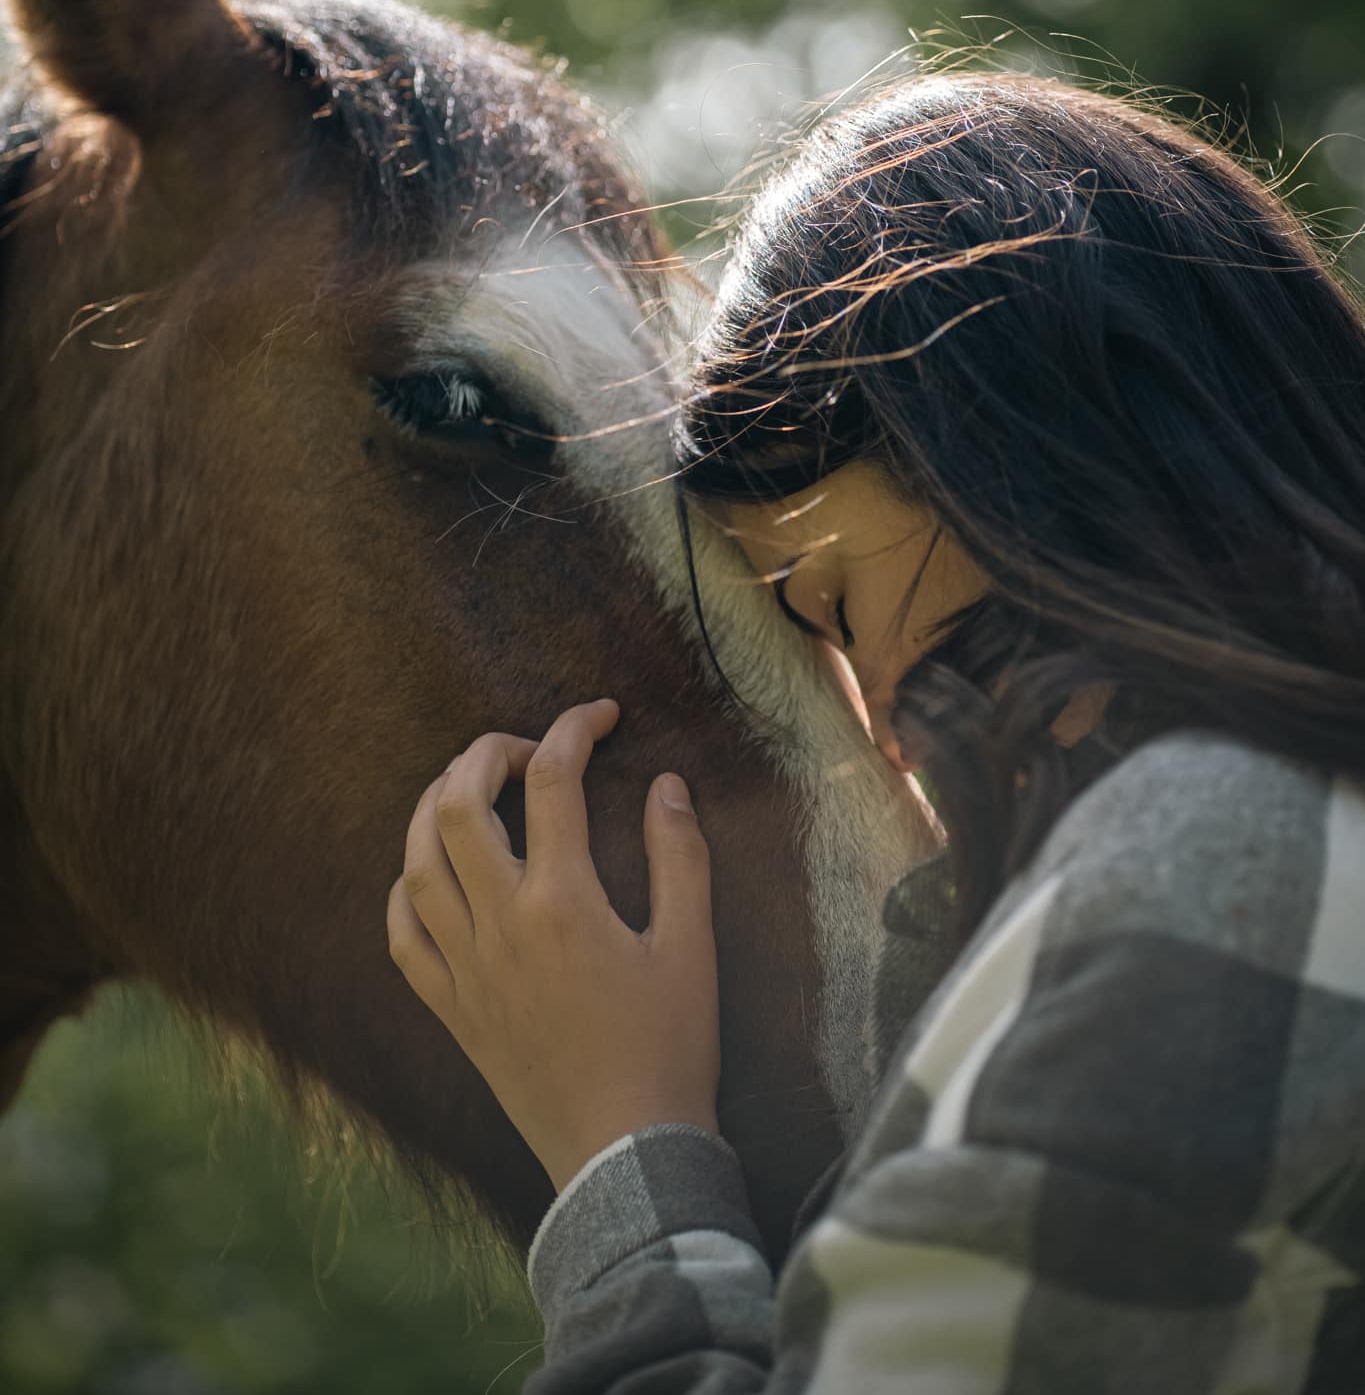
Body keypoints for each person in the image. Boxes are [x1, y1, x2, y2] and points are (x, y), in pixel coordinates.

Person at [387, 70, 1365, 1392]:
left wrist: (621, 1148)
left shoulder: (1220, 849)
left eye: (834, 610)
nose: (890, 733)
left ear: (992, 440)